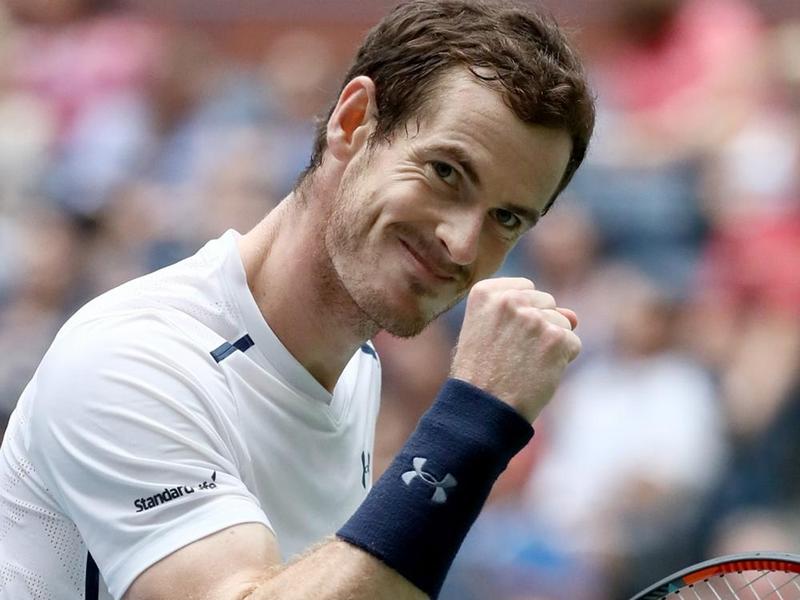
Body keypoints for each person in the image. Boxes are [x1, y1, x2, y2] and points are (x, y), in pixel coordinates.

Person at [0, 1, 595, 598]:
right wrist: (474, 419)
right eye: (445, 172)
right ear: (353, 121)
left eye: (507, 217)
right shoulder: (133, 358)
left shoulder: (355, 371)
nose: (463, 244)